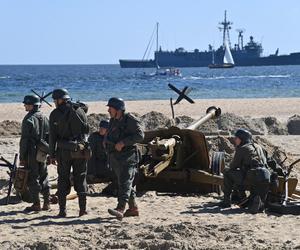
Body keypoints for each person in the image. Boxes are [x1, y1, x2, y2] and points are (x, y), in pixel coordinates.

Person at [49, 88, 89, 217]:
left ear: (60, 100)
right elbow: (86, 130)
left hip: (64, 152)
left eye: (55, 100)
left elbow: (52, 137)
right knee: (81, 178)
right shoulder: (80, 111)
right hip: (79, 150)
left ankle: (62, 211)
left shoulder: (55, 114)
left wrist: (52, 154)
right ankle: (82, 210)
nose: (55, 102)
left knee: (63, 180)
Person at [106, 97, 144, 219]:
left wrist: (124, 142)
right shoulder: (113, 120)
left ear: (118, 109)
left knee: (125, 182)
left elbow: (140, 135)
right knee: (125, 184)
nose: (108, 110)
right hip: (116, 157)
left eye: (110, 108)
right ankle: (133, 208)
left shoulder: (130, 119)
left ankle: (120, 208)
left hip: (129, 157)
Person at [220, 128, 270, 213]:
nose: (235, 140)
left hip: (252, 176)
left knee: (228, 173)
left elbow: (233, 166)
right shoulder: (259, 147)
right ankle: (245, 199)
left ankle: (226, 201)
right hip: (265, 175)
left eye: (236, 138)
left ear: (242, 139)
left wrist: (226, 169)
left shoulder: (243, 148)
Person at [20, 94, 50, 211]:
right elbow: (49, 136)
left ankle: (36, 204)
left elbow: (24, 141)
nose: (24, 105)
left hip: (31, 153)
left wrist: (23, 156)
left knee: (33, 178)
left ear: (32, 105)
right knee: (44, 175)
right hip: (43, 151)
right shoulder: (44, 117)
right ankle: (46, 203)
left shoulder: (28, 119)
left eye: (26, 104)